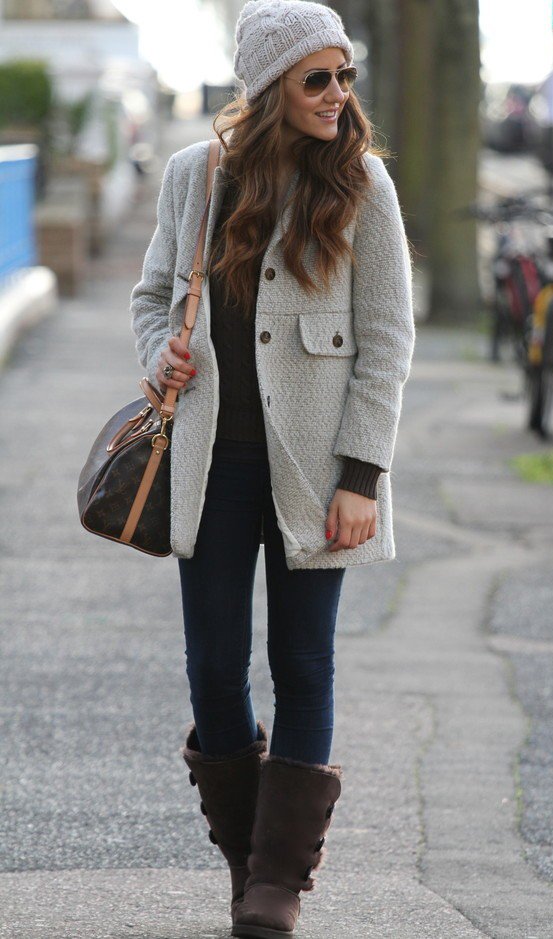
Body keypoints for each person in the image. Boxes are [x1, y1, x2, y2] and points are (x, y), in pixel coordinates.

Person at [129, 1, 415, 935]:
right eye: (316, 79)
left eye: (345, 77)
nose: (338, 96)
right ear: (268, 87)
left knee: (304, 662)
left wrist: (362, 478)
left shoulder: (363, 185)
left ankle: (277, 885)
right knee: (213, 668)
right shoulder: (192, 178)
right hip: (209, 466)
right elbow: (150, 294)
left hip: (319, 471)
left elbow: (387, 343)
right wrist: (158, 355)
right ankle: (249, 860)